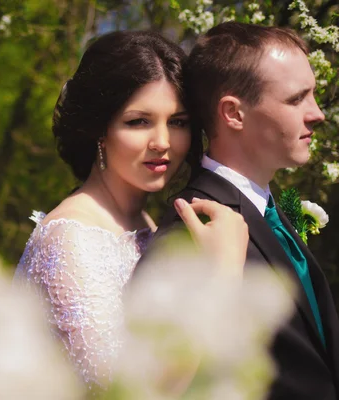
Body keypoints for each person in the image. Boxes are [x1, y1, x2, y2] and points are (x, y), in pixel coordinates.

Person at [14, 30, 248, 389]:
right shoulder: (69, 241)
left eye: (178, 122)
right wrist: (221, 279)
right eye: (138, 121)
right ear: (99, 130)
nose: (162, 142)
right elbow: (126, 391)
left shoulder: (144, 223)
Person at [143, 22, 339, 399]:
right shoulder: (191, 233)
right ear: (233, 113)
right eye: (297, 99)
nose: (318, 114)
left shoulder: (275, 211)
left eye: (313, 95)